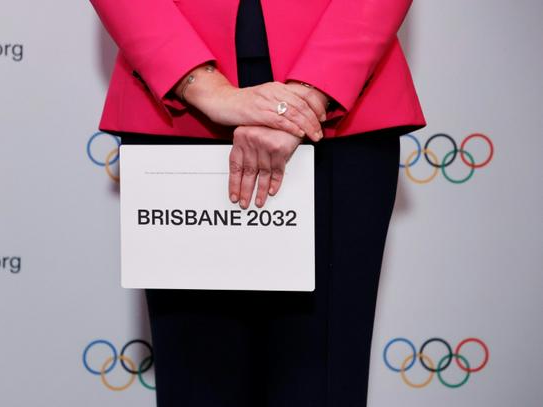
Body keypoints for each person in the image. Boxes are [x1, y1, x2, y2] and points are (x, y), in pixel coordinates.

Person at [90, 0, 425, 405]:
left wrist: (307, 99)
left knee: (320, 383)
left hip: (340, 110)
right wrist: (203, 87)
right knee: (196, 383)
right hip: (180, 110)